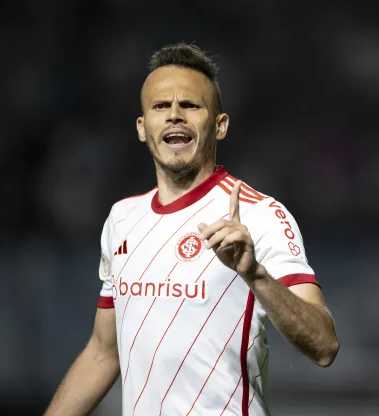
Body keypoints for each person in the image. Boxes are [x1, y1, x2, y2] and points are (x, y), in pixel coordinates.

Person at [44, 42, 339, 416]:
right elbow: (103, 353)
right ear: (142, 127)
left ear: (220, 125)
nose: (174, 116)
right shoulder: (122, 219)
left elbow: (325, 346)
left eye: (190, 105)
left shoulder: (259, 215)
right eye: (160, 106)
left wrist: (256, 275)